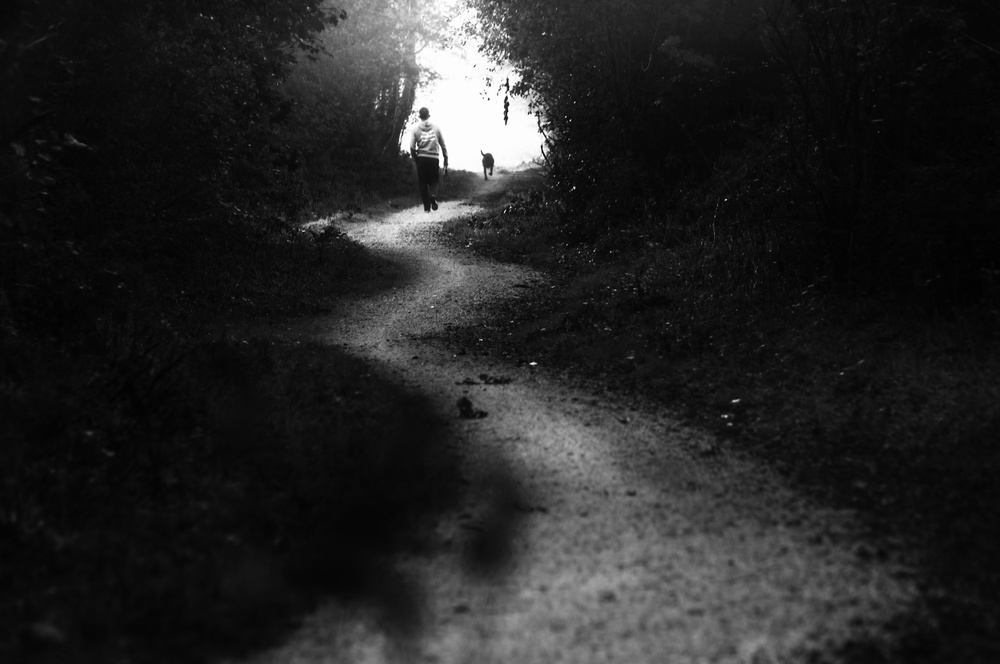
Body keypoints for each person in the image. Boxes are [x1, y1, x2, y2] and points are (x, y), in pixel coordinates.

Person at [409, 107, 448, 212]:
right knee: (434, 181)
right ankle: (433, 196)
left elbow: (412, 147)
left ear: (420, 116)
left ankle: (427, 207)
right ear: (428, 115)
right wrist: (446, 160)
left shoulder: (416, 129)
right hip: (433, 158)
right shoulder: (436, 128)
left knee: (422, 183)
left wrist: (416, 159)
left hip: (421, 158)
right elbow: (443, 146)